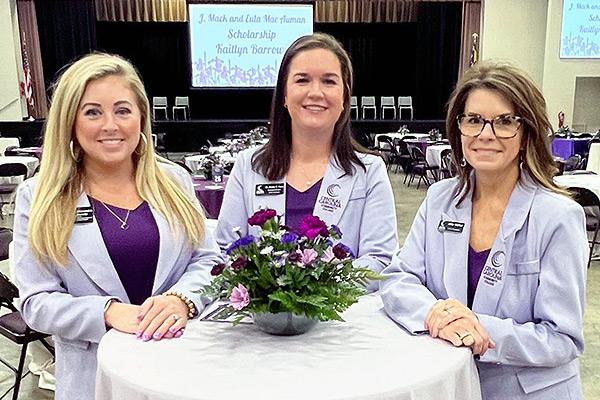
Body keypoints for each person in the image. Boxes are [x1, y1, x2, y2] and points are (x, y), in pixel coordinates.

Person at [13, 53, 222, 400]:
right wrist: (107, 313)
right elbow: (36, 302)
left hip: (181, 368)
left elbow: (209, 263)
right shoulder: (38, 197)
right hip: (95, 378)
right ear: (70, 121)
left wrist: (182, 299)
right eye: (93, 111)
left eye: (123, 110)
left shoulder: (175, 180)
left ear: (141, 116)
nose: (111, 125)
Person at [380, 61, 587, 399]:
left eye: (505, 122)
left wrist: (479, 329)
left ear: (527, 133)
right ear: (458, 129)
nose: (486, 134)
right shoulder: (440, 199)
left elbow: (562, 339)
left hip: (526, 391)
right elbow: (398, 279)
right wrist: (436, 315)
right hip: (451, 385)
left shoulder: (558, 216)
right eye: (474, 120)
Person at [215, 33, 398, 280]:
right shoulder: (248, 166)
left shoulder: (369, 171)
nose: (315, 92)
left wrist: (314, 288)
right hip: (259, 317)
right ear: (283, 95)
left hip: (342, 315)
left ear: (344, 97)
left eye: (329, 82)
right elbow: (226, 251)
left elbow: (380, 259)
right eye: (302, 80)